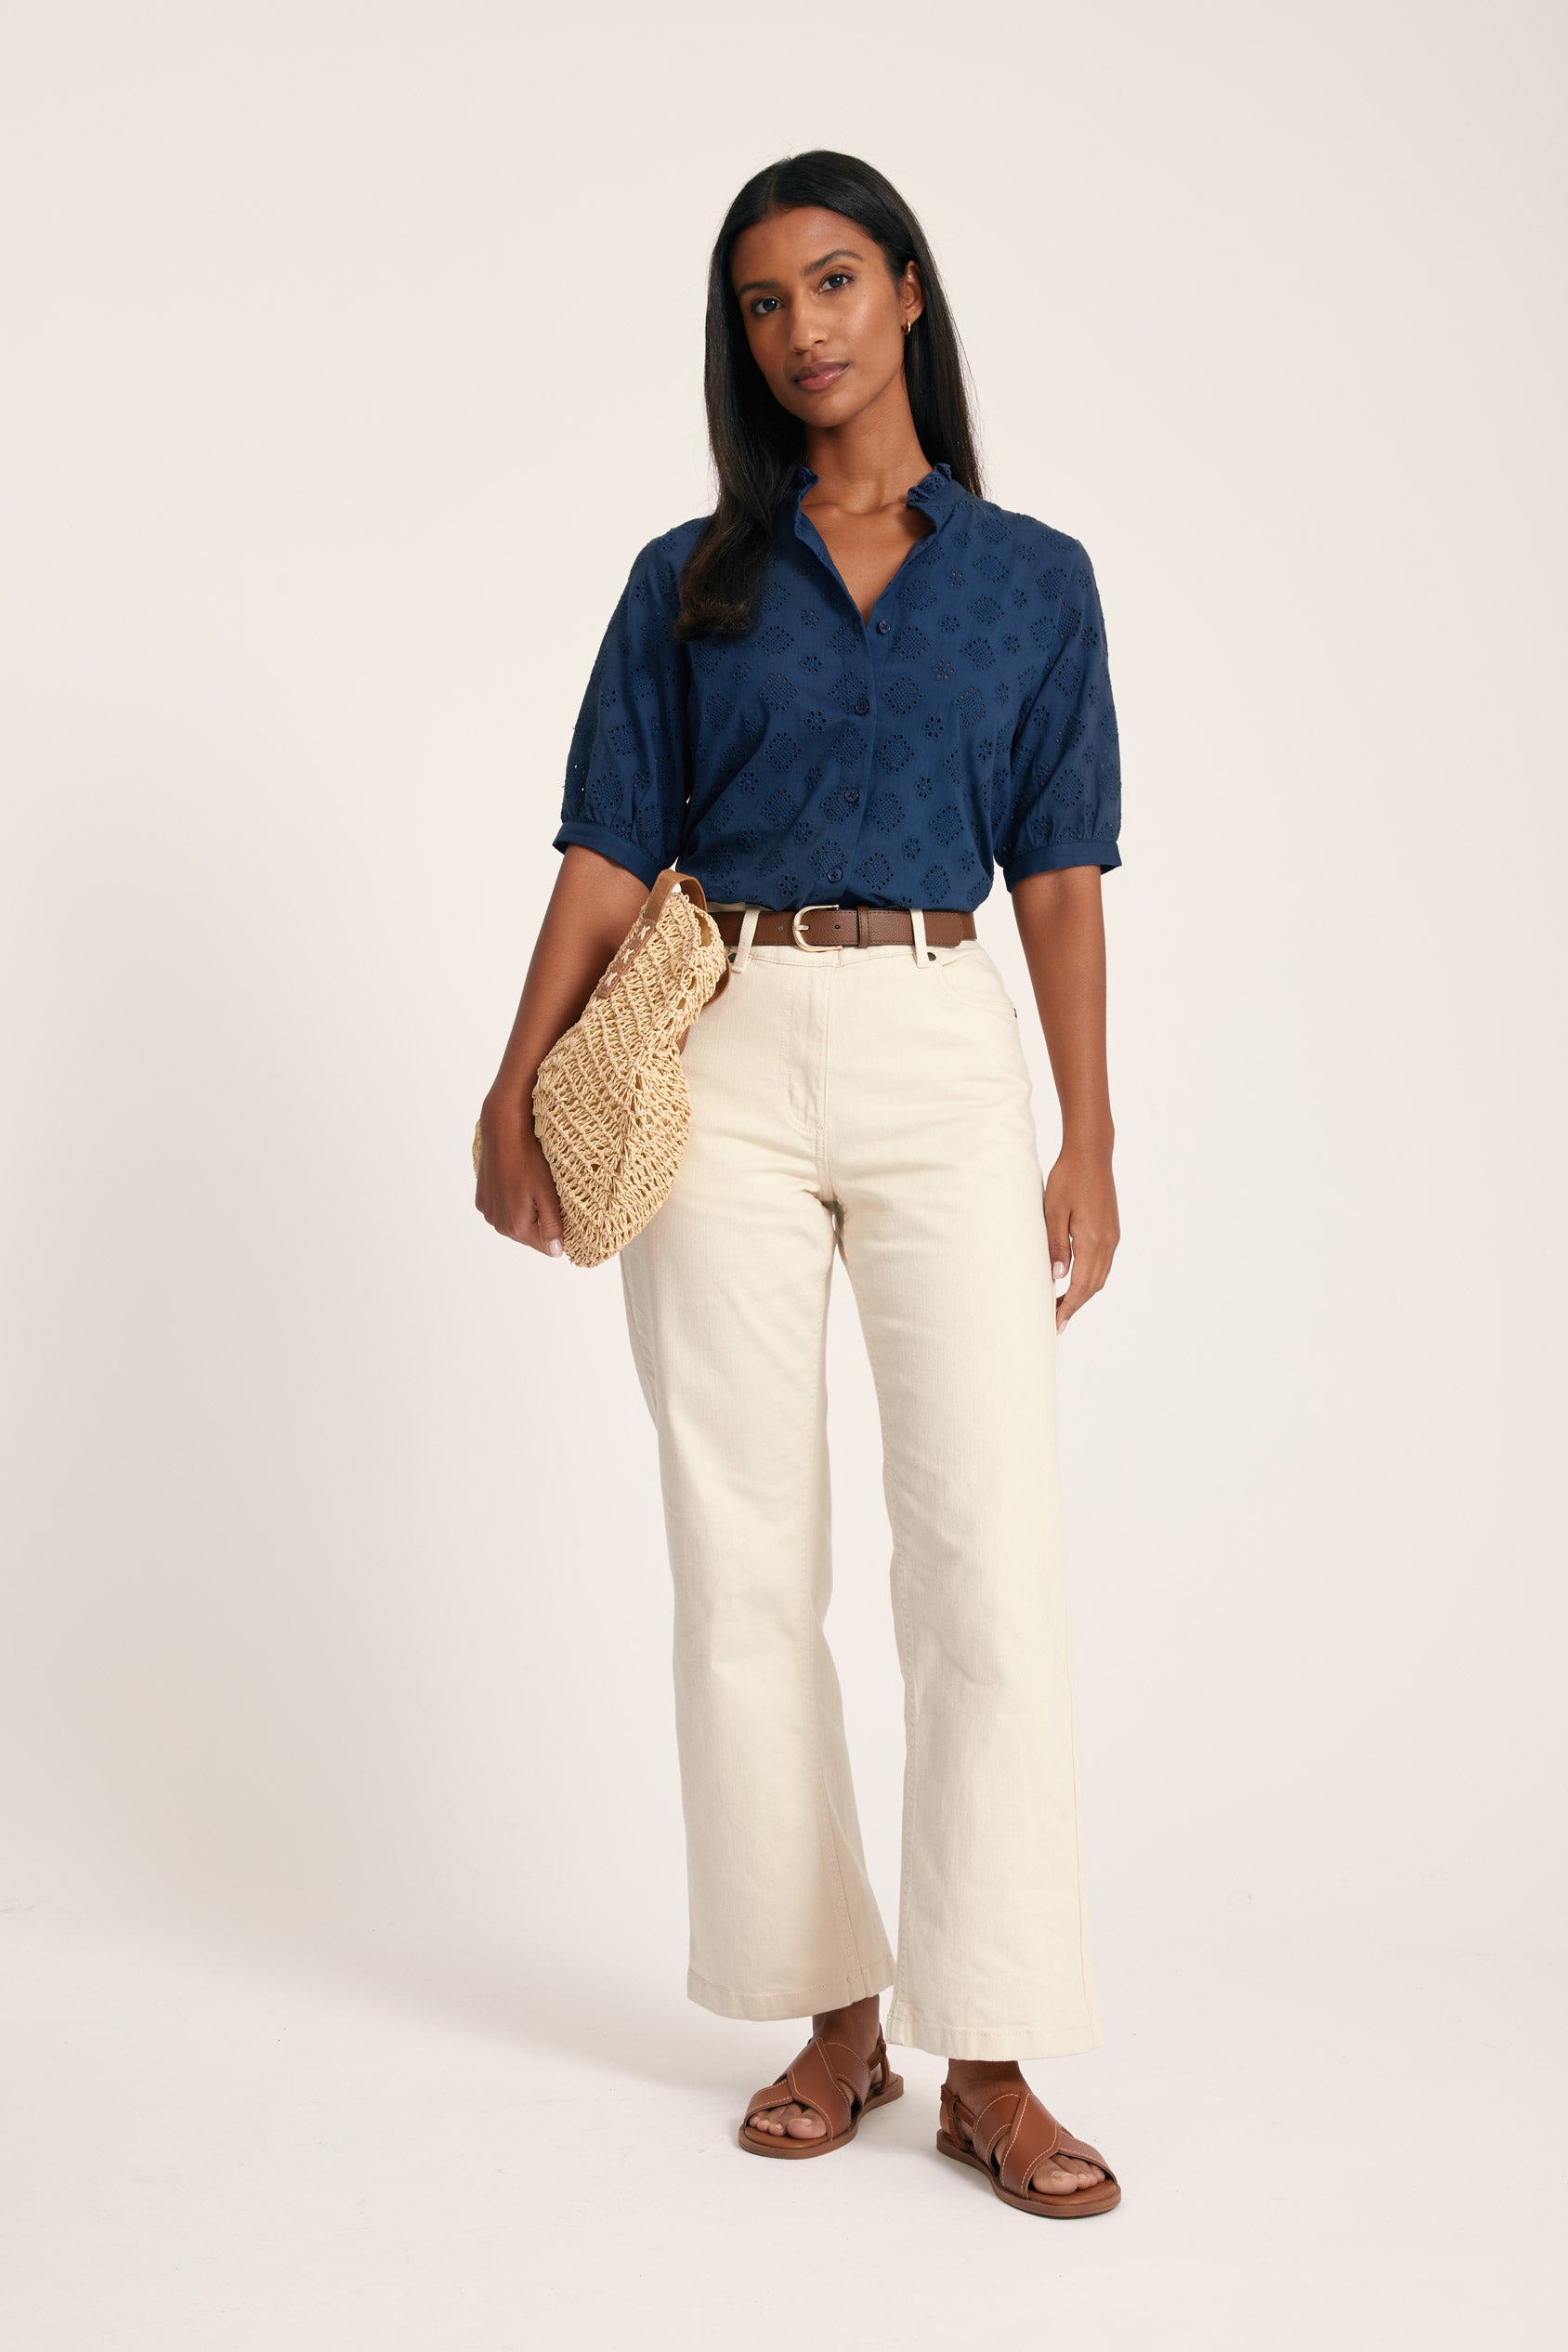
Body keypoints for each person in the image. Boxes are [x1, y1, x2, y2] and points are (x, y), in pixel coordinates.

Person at [476, 150, 1123, 2219]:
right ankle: (829, 2017)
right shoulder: (690, 577)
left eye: (834, 280)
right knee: (743, 1554)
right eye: (763, 302)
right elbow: (602, 847)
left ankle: (992, 2054)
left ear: (911, 292)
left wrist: (1085, 1132)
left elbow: (1062, 876)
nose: (804, 327)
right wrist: (513, 1089)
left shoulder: (1033, 580)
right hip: (721, 1047)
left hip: (943, 1043)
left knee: (986, 1565)